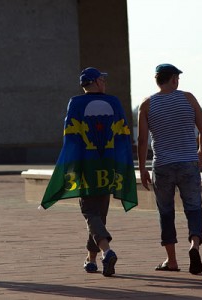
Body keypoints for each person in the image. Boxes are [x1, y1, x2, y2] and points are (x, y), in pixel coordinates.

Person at [40, 67, 138, 277]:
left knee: (90, 212)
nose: (105, 82)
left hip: (87, 167)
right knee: (98, 215)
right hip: (108, 166)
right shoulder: (114, 102)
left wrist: (69, 168)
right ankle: (91, 260)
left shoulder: (75, 103)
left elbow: (71, 138)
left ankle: (106, 250)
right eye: (102, 79)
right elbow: (123, 137)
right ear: (94, 81)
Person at [137, 63, 202, 275]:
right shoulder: (188, 98)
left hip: (162, 165)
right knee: (194, 208)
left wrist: (142, 168)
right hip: (188, 162)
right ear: (174, 79)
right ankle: (194, 245)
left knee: (166, 212)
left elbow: (142, 140)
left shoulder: (147, 104)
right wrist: (199, 156)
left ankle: (172, 260)